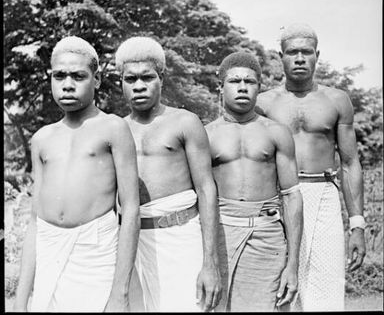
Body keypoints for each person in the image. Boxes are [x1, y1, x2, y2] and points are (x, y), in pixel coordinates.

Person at [13, 36, 140, 312]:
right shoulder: (42, 138)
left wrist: (120, 294)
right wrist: (20, 301)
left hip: (95, 255)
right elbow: (35, 221)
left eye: (78, 76)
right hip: (50, 249)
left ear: (96, 79)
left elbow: (130, 210)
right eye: (59, 75)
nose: (67, 84)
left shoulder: (113, 128)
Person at [257, 23, 366, 311]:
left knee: (325, 288)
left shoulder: (336, 100)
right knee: (279, 289)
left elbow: (351, 161)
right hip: (278, 198)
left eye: (306, 52)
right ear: (280, 56)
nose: (300, 58)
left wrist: (357, 224)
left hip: (323, 194)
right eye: (292, 52)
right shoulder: (264, 103)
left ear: (317, 55)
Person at [115, 36, 222, 312]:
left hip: (180, 238)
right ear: (121, 82)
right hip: (131, 243)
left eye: (147, 77)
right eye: (130, 79)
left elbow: (207, 189)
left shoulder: (184, 122)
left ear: (161, 77)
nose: (139, 86)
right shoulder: (115, 130)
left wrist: (209, 262)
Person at [205, 52, 303, 312]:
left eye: (249, 82)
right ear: (221, 87)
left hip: (266, 235)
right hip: (221, 232)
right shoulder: (206, 135)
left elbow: (292, 196)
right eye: (234, 81)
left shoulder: (276, 132)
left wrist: (292, 265)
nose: (242, 87)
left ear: (259, 87)